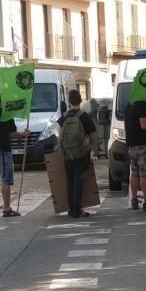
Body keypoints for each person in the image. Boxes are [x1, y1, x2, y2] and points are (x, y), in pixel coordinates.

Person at [58, 89, 97, 218]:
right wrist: (92, 151)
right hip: (81, 153)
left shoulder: (64, 117)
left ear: (69, 102)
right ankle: (77, 209)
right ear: (80, 100)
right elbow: (92, 137)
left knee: (70, 181)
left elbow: (60, 135)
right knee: (78, 181)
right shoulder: (84, 116)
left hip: (67, 154)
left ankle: (71, 209)